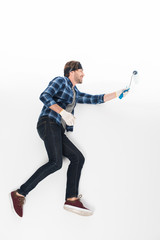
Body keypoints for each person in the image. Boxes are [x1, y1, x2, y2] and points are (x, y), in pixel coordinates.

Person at [10, 61, 129, 217]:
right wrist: (63, 113)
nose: (83, 74)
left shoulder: (75, 92)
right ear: (71, 71)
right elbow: (44, 96)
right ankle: (20, 193)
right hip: (48, 122)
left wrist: (117, 93)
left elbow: (94, 99)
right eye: (81, 71)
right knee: (56, 163)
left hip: (58, 128)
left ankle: (71, 198)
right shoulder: (61, 81)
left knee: (78, 158)